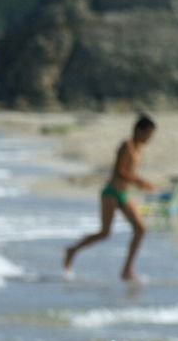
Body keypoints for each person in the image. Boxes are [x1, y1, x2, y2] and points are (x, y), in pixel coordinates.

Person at [63, 115, 156, 281]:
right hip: (111, 193)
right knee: (105, 233)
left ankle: (127, 270)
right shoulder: (126, 146)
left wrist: (137, 181)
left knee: (141, 229)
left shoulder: (138, 147)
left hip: (123, 194)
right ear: (140, 130)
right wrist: (139, 181)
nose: (149, 138)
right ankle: (72, 250)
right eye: (148, 134)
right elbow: (118, 170)